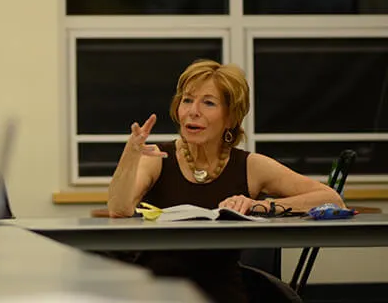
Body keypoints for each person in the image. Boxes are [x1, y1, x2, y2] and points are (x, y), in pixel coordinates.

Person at [107, 59, 344, 303]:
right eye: (187, 100)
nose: (193, 111)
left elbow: (332, 199)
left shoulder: (251, 166)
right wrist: (130, 156)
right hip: (158, 292)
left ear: (230, 117)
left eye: (208, 102)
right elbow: (119, 209)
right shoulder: (158, 158)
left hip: (222, 293)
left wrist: (259, 206)